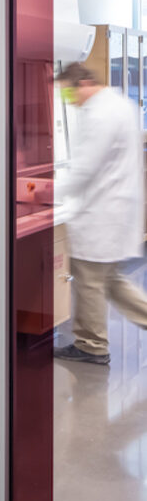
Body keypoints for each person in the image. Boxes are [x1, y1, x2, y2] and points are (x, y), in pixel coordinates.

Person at [53, 62, 147, 365]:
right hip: (113, 210)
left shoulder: (100, 114)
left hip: (103, 214)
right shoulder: (119, 104)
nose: (68, 99)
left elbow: (84, 168)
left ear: (82, 83)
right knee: (109, 281)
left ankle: (91, 345)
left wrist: (46, 193)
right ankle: (91, 340)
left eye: (67, 92)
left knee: (91, 281)